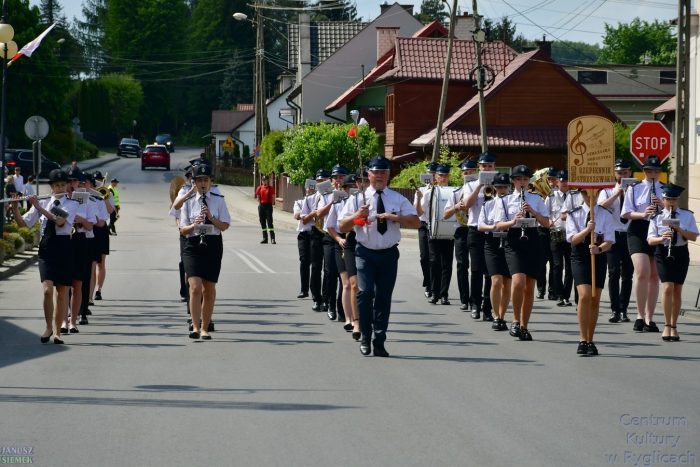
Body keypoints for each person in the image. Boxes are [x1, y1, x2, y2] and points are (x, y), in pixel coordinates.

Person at [340, 156, 420, 357]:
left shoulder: (397, 198)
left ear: (388, 175)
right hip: (365, 252)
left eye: (384, 172)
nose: (380, 176)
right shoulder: (357, 199)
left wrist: (396, 218)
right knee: (365, 293)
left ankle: (379, 340)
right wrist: (358, 215)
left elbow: (416, 222)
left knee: (384, 298)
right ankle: (365, 337)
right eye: (376, 172)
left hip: (388, 254)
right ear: (369, 174)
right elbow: (342, 226)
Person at [11, 169, 79, 344]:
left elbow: (59, 221)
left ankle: (58, 332)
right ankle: (49, 327)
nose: (60, 187)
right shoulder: (43, 202)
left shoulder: (71, 204)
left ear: (66, 185)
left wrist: (38, 207)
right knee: (48, 290)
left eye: (62, 184)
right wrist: (15, 208)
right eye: (56, 185)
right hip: (47, 248)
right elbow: (23, 224)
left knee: (62, 292)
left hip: (64, 247)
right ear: (51, 187)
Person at [494, 164, 549, 341]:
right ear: (514, 181)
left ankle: (525, 325)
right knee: (518, 281)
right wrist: (512, 221)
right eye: (519, 179)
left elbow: (547, 223)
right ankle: (515, 320)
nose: (523, 182)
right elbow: (498, 224)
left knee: (529, 287)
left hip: (533, 240)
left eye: (525, 179)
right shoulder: (505, 200)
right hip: (514, 240)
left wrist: (532, 212)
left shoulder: (537, 198)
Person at [179, 164, 231, 340]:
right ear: (194, 182)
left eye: (206, 180)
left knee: (209, 289)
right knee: (195, 288)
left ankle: (205, 328)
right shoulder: (188, 201)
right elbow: (183, 230)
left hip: (213, 244)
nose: (203, 183)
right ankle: (194, 326)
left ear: (210, 182)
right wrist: (195, 224)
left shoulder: (218, 199)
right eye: (199, 180)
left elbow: (224, 226)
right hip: (192, 245)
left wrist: (211, 217)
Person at [647, 184, 698, 342]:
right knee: (667, 287)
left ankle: (674, 326)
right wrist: (662, 238)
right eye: (668, 199)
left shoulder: (687, 216)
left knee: (677, 290)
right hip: (663, 252)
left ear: (678, 200)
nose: (671, 202)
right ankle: (666, 325)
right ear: (663, 200)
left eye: (674, 199)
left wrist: (679, 229)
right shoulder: (657, 217)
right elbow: (650, 240)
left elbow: (693, 237)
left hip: (680, 253)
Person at [566, 189, 615, 356]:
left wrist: (599, 249)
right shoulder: (575, 214)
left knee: (594, 298)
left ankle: (590, 339)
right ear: (582, 194)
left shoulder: (606, 214)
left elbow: (609, 240)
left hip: (598, 257)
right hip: (580, 256)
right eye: (587, 194)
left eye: (595, 194)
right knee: (585, 295)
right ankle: (582, 338)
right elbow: (572, 239)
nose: (591, 197)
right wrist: (587, 230)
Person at [621, 154, 664, 333]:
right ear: (644, 171)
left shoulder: (665, 189)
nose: (652, 174)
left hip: (657, 228)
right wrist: (643, 214)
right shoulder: (635, 188)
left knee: (654, 276)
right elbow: (626, 213)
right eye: (649, 170)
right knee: (642, 272)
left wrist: (661, 204)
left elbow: (673, 212)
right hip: (638, 229)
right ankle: (639, 315)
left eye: (656, 171)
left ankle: (649, 317)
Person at [597, 159, 634, 323]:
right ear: (615, 174)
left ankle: (624, 308)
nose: (622, 175)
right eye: (619, 173)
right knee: (613, 273)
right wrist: (617, 193)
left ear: (630, 173)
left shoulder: (635, 190)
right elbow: (601, 206)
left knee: (628, 274)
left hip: (630, 235)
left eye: (625, 172)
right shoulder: (607, 190)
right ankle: (615, 310)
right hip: (612, 235)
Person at [461, 151, 496, 320]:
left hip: (493, 230)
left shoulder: (500, 184)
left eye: (489, 166)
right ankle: (475, 304)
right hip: (475, 230)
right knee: (476, 269)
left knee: (490, 271)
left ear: (494, 167)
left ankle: (487, 307)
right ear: (479, 168)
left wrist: (495, 189)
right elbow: (466, 205)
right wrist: (480, 186)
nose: (487, 168)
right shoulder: (470, 184)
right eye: (483, 166)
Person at [326, 174, 360, 336]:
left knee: (357, 284)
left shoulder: (361, 202)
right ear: (344, 189)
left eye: (354, 187)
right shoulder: (338, 204)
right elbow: (330, 226)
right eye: (348, 187)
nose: (351, 190)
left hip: (355, 243)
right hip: (340, 244)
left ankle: (357, 317)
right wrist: (339, 239)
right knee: (346, 283)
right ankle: (348, 318)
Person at [478, 172, 512, 331]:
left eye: (505, 186)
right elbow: (480, 226)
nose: (502, 189)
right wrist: (494, 227)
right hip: (492, 242)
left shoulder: (513, 203)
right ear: (494, 188)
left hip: (509, 241)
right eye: (499, 187)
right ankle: (495, 315)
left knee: (507, 282)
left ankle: (502, 315)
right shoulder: (488, 204)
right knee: (496, 280)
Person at [443, 159, 475, 311]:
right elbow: (445, 215)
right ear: (462, 174)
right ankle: (464, 299)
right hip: (461, 229)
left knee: (477, 266)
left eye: (471, 172)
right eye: (465, 172)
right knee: (462, 265)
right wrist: (456, 207)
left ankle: (476, 298)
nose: (468, 174)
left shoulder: (483, 192)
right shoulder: (456, 193)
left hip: (476, 229)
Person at [301, 169, 331, 312]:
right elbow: (304, 219)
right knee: (316, 267)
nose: (321, 183)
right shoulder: (311, 198)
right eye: (319, 181)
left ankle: (326, 298)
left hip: (329, 232)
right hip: (316, 233)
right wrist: (315, 212)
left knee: (329, 269)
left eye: (324, 180)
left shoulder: (334, 196)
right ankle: (316, 298)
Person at [545, 170, 574, 307]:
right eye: (563, 181)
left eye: (567, 180)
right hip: (556, 232)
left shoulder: (575, 196)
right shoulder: (551, 196)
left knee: (570, 266)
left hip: (571, 234)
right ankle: (559, 294)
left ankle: (567, 295)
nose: (565, 183)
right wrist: (549, 221)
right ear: (558, 182)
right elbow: (545, 213)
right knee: (557, 265)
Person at [425, 164, 454, 305]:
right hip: (433, 230)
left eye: (445, 175)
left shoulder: (453, 191)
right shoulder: (429, 191)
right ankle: (434, 292)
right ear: (435, 177)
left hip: (449, 231)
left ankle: (444, 294)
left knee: (447, 264)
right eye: (440, 175)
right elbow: (422, 211)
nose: (443, 178)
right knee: (434, 262)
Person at [413, 162, 437, 299]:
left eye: (434, 174)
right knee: (424, 257)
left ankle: (434, 285)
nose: (432, 176)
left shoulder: (442, 190)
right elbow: (417, 212)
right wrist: (419, 198)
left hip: (436, 225)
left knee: (435, 258)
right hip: (423, 224)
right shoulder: (420, 190)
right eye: (430, 173)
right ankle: (428, 282)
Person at [537, 167, 559, 300]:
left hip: (554, 230)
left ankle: (552, 290)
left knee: (554, 262)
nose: (551, 181)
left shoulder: (559, 193)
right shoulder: (539, 192)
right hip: (542, 230)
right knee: (541, 261)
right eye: (549, 179)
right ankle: (541, 289)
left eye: (554, 179)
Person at [293, 180, 315, 298]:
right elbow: (296, 215)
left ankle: (315, 290)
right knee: (304, 261)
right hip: (304, 234)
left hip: (315, 234)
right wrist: (310, 215)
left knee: (316, 264)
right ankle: (304, 289)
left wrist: (306, 216)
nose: (310, 190)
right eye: (308, 188)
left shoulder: (318, 202)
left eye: (312, 188)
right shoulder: (300, 202)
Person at [255, 175, 276, 244]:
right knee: (262, 222)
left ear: (268, 181)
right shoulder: (259, 188)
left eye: (265, 180)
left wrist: (271, 205)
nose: (264, 181)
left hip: (268, 206)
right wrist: (260, 205)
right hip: (261, 206)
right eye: (263, 180)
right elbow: (258, 197)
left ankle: (272, 238)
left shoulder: (271, 188)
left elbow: (273, 197)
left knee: (270, 222)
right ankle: (265, 238)